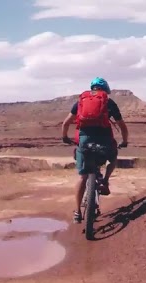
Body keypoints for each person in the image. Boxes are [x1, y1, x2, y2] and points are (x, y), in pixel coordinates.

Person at [60, 77, 129, 223]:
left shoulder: (80, 102)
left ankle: (78, 212)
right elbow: (122, 126)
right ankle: (105, 181)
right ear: (105, 90)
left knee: (82, 177)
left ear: (92, 88)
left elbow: (66, 123)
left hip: (84, 142)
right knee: (113, 156)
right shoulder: (109, 103)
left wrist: (65, 137)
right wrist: (124, 141)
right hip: (104, 142)